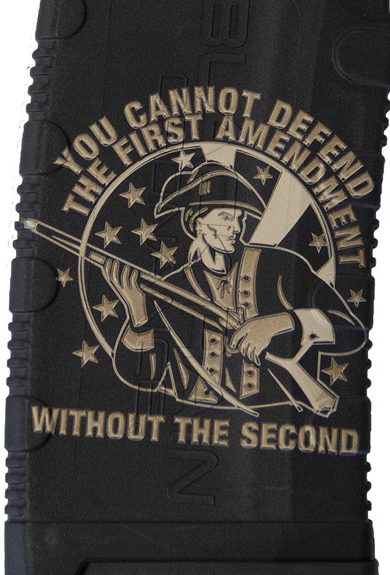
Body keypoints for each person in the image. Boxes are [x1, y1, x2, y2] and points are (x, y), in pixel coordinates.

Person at [104, 161, 364, 415]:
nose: (237, 228)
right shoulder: (172, 287)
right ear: (197, 222)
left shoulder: (279, 265)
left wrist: (278, 323)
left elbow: (350, 331)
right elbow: (142, 378)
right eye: (226, 217)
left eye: (239, 218)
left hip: (273, 418)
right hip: (191, 421)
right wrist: (137, 310)